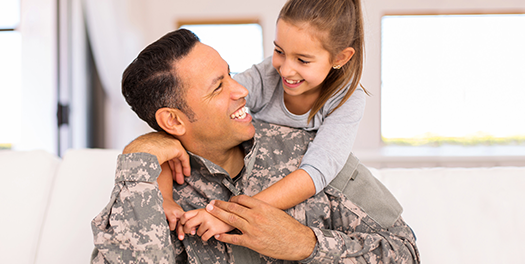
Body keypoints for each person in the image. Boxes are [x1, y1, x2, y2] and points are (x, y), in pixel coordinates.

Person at [90, 28, 418, 263]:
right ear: (173, 121)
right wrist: (138, 159)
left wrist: (306, 244)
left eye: (230, 74)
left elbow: (405, 253)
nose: (242, 91)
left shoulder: (311, 152)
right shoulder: (149, 189)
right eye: (218, 88)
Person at [159, 0, 370, 239]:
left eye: (303, 60)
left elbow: (316, 172)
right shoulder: (268, 73)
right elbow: (202, 116)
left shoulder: (347, 98)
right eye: (279, 51)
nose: (285, 69)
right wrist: (164, 197)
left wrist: (228, 217)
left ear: (340, 58)